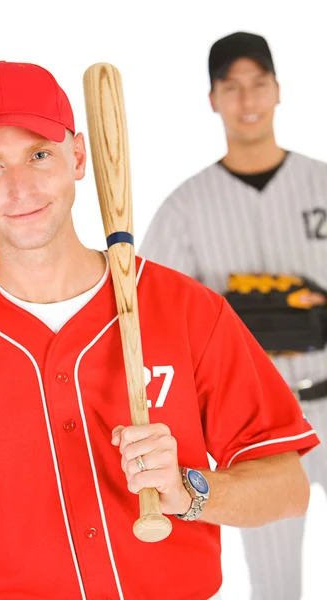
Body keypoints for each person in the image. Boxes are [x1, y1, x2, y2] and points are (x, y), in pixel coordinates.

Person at [0, 60, 319, 600]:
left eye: (40, 154)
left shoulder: (185, 308)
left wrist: (189, 491)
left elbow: (288, 488)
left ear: (79, 156)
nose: (20, 187)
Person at [140, 31, 327, 600]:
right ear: (213, 98)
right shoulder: (184, 207)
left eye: (258, 84)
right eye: (232, 87)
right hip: (255, 429)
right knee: (275, 586)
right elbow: (148, 320)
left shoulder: (322, 183)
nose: (247, 100)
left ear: (277, 91)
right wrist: (235, 323)